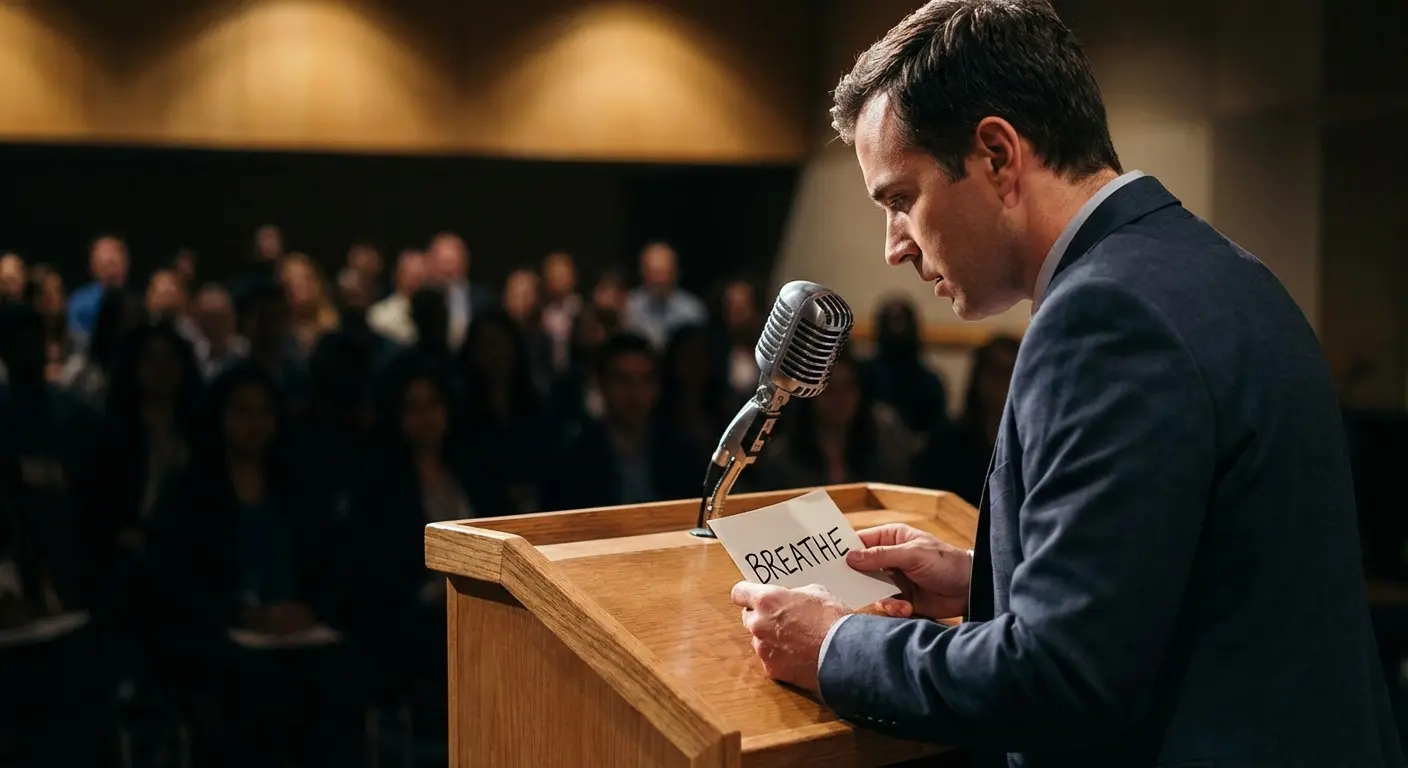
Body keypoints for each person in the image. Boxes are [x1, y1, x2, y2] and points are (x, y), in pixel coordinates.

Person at [728, 2, 1401, 766]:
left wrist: (833, 645)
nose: (895, 248)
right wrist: (986, 581)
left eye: (901, 199)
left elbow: (1062, 680)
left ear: (996, 155)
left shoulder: (1102, 319)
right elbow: (1199, 578)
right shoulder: (1218, 269)